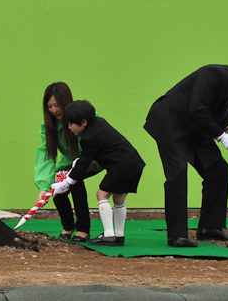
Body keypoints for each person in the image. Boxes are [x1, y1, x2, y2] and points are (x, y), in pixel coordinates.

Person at [144, 55, 228, 248]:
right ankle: (177, 236)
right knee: (178, 172)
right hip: (170, 122)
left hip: (197, 129)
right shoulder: (213, 74)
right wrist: (221, 136)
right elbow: (198, 109)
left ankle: (210, 228)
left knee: (218, 169)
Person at [52, 100, 145, 246]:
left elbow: (84, 162)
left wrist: (65, 183)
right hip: (134, 163)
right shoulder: (99, 123)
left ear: (83, 122)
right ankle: (119, 236)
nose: (69, 128)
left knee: (101, 194)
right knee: (119, 199)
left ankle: (109, 235)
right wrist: (79, 164)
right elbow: (88, 159)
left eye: (71, 124)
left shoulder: (89, 138)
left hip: (122, 166)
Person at [33, 82, 92, 242]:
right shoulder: (48, 126)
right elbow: (46, 155)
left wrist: (79, 169)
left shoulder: (83, 116)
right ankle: (68, 226)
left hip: (95, 157)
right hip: (72, 161)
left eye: (57, 105)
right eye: (50, 106)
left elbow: (99, 141)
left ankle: (83, 229)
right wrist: (45, 186)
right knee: (57, 183)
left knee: (75, 181)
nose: (54, 110)